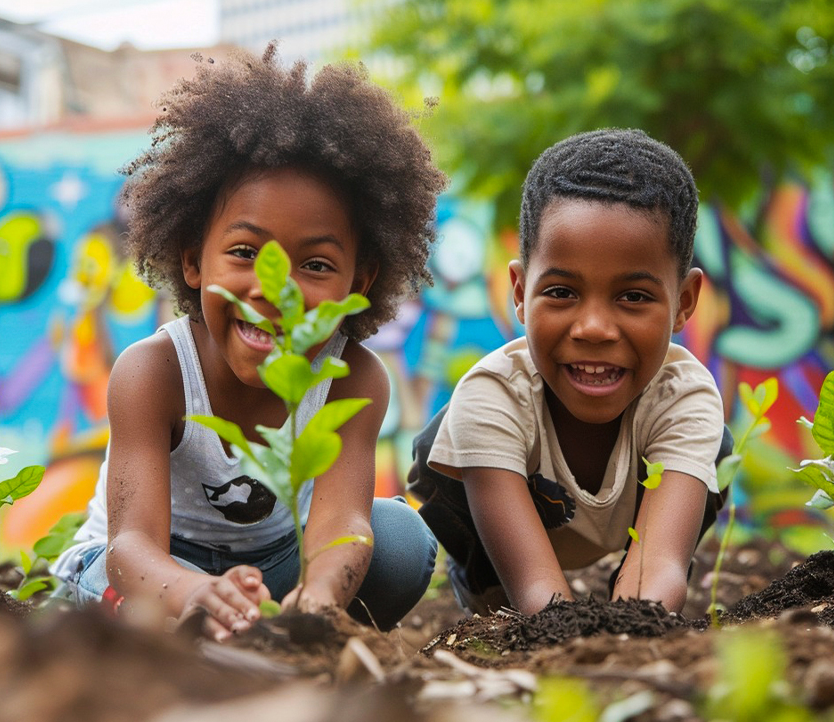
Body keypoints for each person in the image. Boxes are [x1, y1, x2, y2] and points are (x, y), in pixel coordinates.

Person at [52, 44, 446, 638]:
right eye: (245, 253)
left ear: (358, 282)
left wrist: (316, 600)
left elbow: (342, 520)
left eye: (315, 265)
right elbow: (131, 546)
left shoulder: (353, 379)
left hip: (272, 568)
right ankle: (189, 647)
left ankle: (268, 643)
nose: (275, 289)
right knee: (128, 601)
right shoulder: (154, 372)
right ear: (193, 262)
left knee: (398, 541)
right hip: (146, 569)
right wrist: (195, 592)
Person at [409, 128, 732, 617]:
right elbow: (541, 598)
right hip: (500, 519)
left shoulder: (682, 399)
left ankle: (627, 577)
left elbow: (661, 567)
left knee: (719, 448)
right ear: (519, 291)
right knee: (439, 446)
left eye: (634, 297)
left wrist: (636, 620)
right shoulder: (493, 396)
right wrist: (548, 621)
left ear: (684, 302)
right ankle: (485, 582)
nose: (595, 328)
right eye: (561, 292)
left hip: (640, 521)